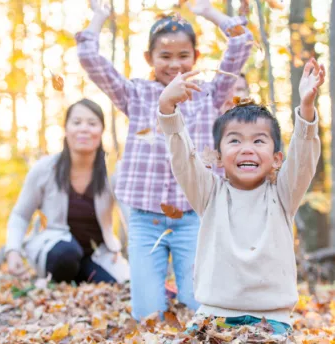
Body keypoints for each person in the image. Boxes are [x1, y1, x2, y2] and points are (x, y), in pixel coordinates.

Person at [76, 0, 253, 320]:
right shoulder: (136, 94)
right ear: (150, 59)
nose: (175, 64)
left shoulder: (210, 94)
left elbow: (241, 42)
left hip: (194, 218)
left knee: (200, 307)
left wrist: (210, 13)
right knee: (148, 315)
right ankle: (155, 303)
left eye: (183, 56)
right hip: (146, 219)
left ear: (196, 58)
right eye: (165, 56)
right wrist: (98, 19)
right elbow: (90, 59)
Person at [157, 58, 325, 334]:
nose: (247, 148)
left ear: (276, 159)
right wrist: (167, 108)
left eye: (259, 140)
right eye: (235, 140)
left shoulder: (284, 194)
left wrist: (306, 109)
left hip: (272, 320)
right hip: (212, 317)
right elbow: (182, 158)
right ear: (219, 158)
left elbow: (304, 155)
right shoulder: (209, 193)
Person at [5, 99, 130, 284]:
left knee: (117, 283)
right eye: (77, 122)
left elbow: (132, 218)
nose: (84, 129)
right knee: (67, 254)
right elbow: (21, 215)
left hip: (97, 253)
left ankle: (84, 277)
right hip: (54, 248)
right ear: (66, 128)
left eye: (92, 123)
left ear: (101, 130)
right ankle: (55, 281)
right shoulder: (45, 169)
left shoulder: (113, 171)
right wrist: (13, 250)